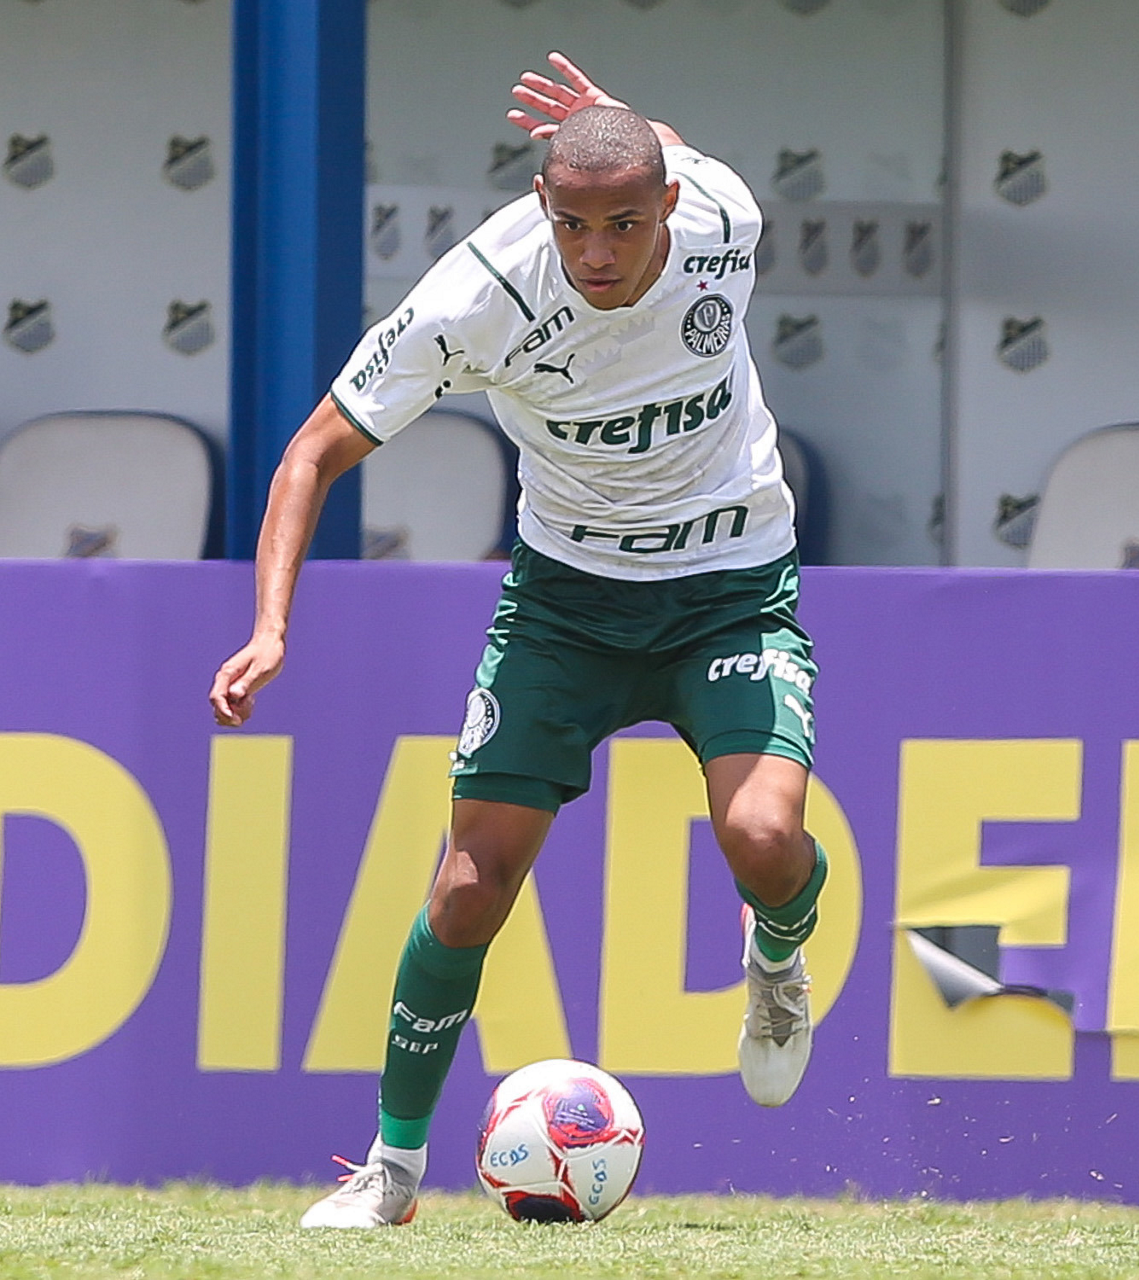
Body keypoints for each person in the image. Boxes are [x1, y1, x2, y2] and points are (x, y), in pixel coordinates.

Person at [209, 52, 827, 1229]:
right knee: (464, 886)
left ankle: (778, 957)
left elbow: (667, 147)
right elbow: (312, 451)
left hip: (728, 586)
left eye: (625, 223)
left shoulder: (725, 218)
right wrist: (271, 624)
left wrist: (625, 116)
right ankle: (390, 1171)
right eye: (573, 224)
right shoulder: (475, 295)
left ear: (671, 208)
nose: (597, 252)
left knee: (760, 837)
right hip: (564, 604)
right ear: (541, 204)